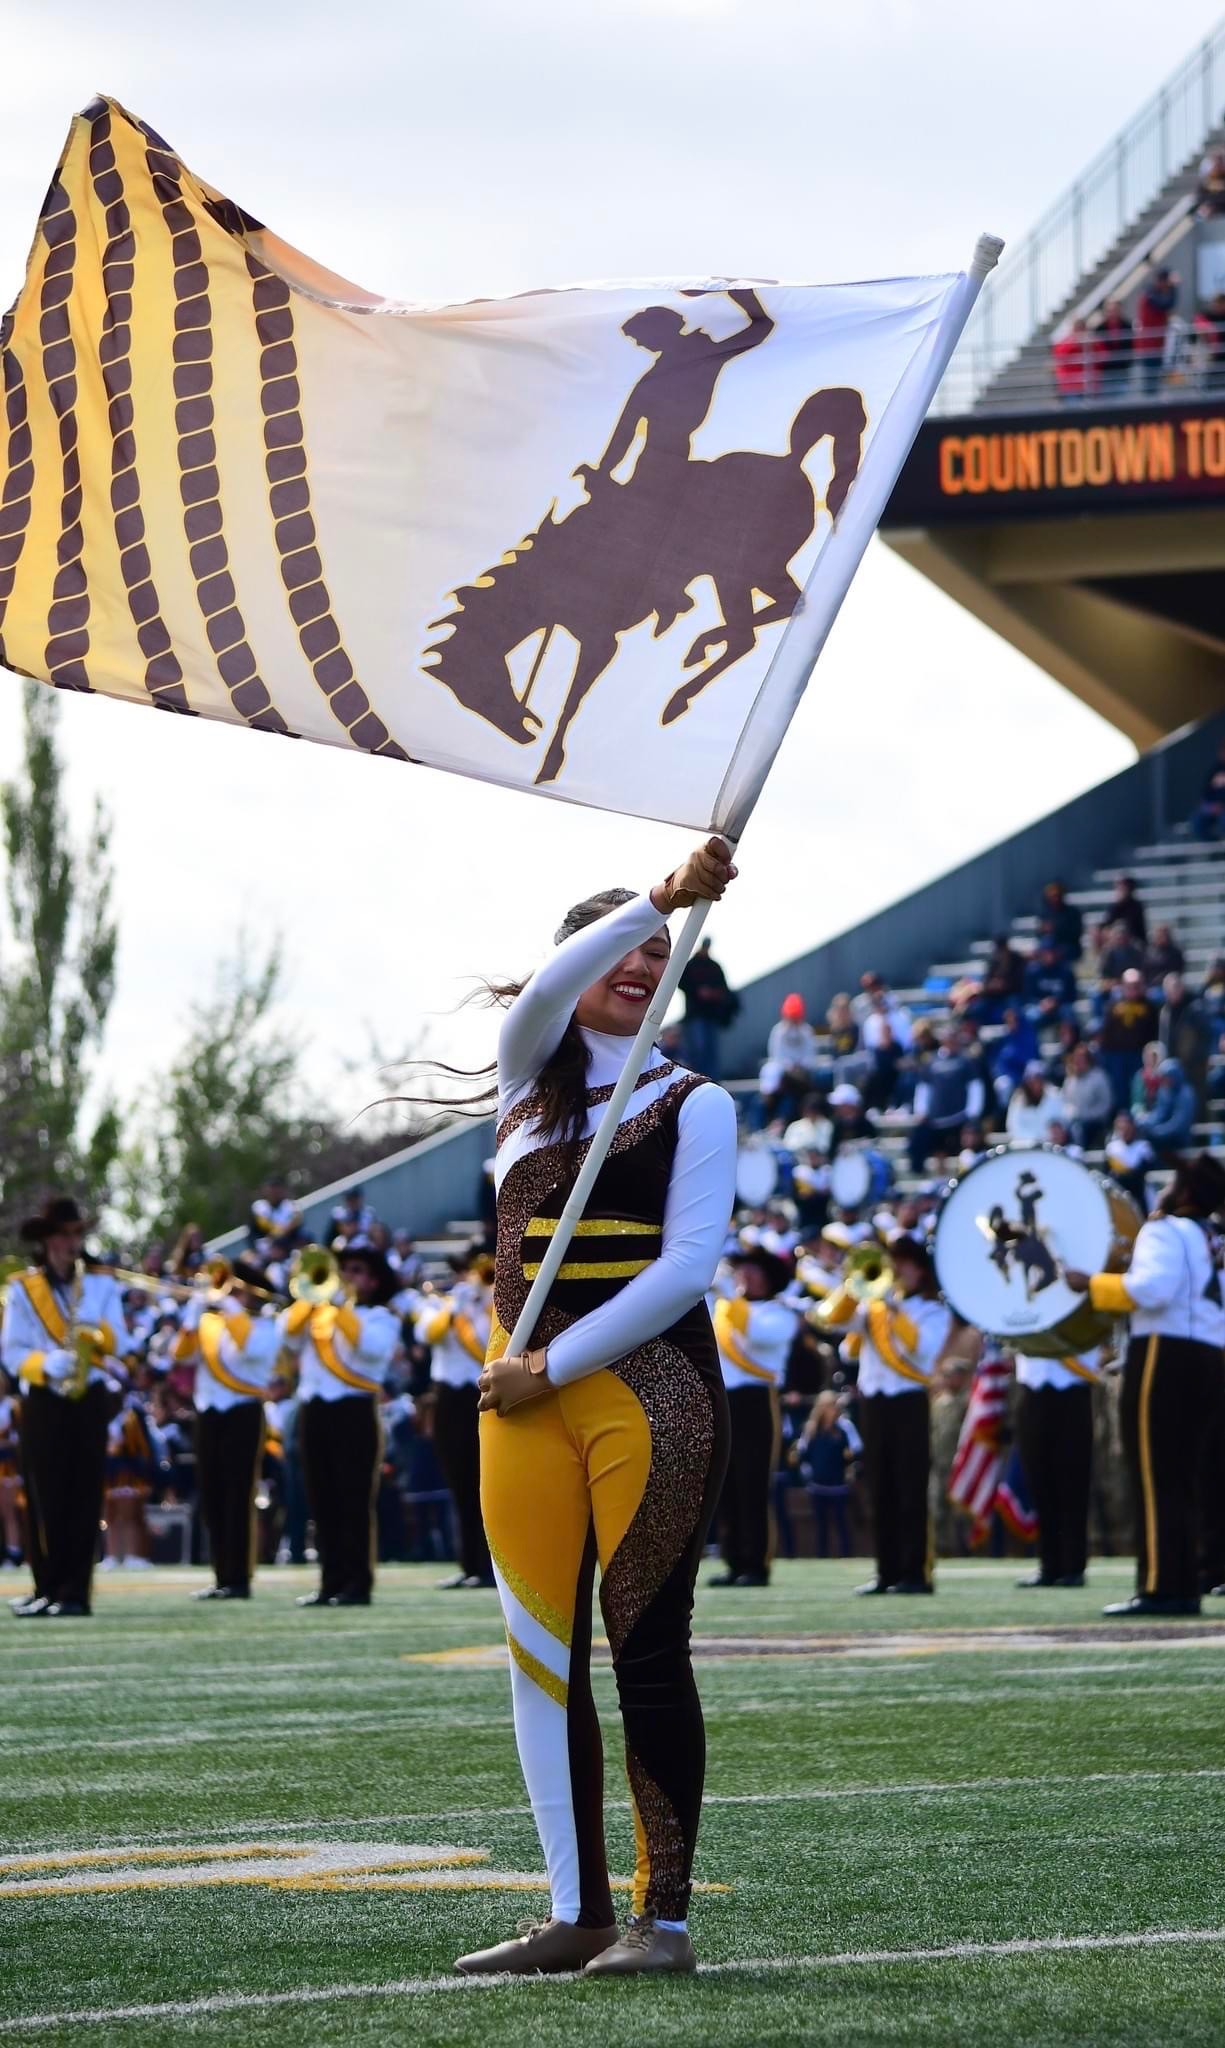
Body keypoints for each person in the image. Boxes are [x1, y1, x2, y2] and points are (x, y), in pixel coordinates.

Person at [458, 837, 738, 1979]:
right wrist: (651, 899)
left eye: (662, 950)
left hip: (650, 1393)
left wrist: (553, 1365)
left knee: (646, 1649)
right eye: (628, 946)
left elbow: (688, 1269)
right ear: (584, 962)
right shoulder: (526, 1078)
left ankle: (658, 1918)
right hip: (518, 1407)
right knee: (538, 1653)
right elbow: (534, 1000)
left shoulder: (696, 1100)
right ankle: (572, 1909)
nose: (646, 961)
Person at [1064, 1153, 1225, 1618]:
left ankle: (1160, 1586)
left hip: (1164, 1354)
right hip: (1208, 1354)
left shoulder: (1164, 1230)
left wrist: (1091, 1284)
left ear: (1187, 1192)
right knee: (1182, 1477)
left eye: (1175, 1181)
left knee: (1155, 1474)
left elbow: (1151, 1289)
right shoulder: (1211, 1236)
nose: (1165, 1188)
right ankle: (1183, 1582)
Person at [1, 1197, 132, 1619]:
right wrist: (44, 1365)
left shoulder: (101, 1284)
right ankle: (47, 1586)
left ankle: (75, 1591)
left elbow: (124, 1342)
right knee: (43, 1495)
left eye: (77, 1233)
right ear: (47, 1240)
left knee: (83, 1494)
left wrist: (97, 1336)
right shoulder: (24, 1289)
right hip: (43, 1398)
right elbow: (12, 1350)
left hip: (87, 1395)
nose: (72, 1242)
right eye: (64, 1234)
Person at [823, 1236, 952, 1595]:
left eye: (905, 1263)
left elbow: (922, 1352)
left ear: (920, 1271)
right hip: (875, 1403)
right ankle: (887, 1570)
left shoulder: (932, 1312)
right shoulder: (873, 1307)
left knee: (910, 1487)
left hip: (909, 1401)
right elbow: (834, 1322)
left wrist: (893, 1310)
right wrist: (853, 1287)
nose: (897, 1270)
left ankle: (916, 1573)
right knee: (880, 1488)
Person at [279, 1243, 401, 1608]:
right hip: (314, 1410)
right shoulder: (316, 1314)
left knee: (354, 1499)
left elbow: (368, 1348)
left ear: (374, 1280)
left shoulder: (381, 1316)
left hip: (355, 1411)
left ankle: (357, 1584)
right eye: (343, 1269)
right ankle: (329, 1582)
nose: (347, 1277)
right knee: (321, 1497)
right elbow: (285, 1336)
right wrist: (310, 1301)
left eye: (357, 1271)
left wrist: (336, 1307)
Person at [172, 1259, 285, 1600]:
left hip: (244, 1412)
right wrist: (191, 1321)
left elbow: (249, 1349)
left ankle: (239, 1577)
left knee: (238, 1494)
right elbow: (182, 1358)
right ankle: (221, 1573)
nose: (228, 1294)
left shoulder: (266, 1326)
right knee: (213, 1494)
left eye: (237, 1289)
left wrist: (230, 1307)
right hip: (209, 1413)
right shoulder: (211, 1323)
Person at [710, 1247, 798, 1588]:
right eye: (742, 1270)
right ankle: (735, 1561)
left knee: (753, 1483)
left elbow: (756, 1334)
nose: (745, 1277)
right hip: (726, 1399)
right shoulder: (727, 1309)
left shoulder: (778, 1314)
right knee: (727, 1484)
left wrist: (728, 1295)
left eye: (753, 1272)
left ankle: (756, 1563)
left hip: (758, 1400)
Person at [417, 1253, 495, 1589]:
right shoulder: (441, 1307)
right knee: (458, 1482)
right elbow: (427, 1333)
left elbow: (486, 1347)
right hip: (447, 1398)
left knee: (485, 1482)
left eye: (470, 1272)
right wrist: (455, 1309)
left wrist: (480, 1306)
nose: (468, 1278)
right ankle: (468, 1564)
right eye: (461, 1272)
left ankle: (490, 1566)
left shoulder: (492, 1308)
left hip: (481, 1395)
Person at [1014, 1345, 1102, 1589]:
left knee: (1073, 1482)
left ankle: (1073, 1565)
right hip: (1032, 1385)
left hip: (1072, 1384)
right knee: (1038, 1479)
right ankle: (1049, 1565)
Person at [908, 1030, 985, 1173]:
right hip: (936, 1119)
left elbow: (975, 1087)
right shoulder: (931, 1061)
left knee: (967, 1147)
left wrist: (973, 1112)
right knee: (923, 1141)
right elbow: (924, 1087)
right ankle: (924, 1173)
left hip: (959, 1118)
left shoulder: (966, 1061)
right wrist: (921, 1111)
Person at [797, 1390, 859, 1556]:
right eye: (828, 1406)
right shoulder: (811, 1429)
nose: (832, 1409)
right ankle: (821, 1555)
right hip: (817, 1485)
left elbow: (856, 1451)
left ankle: (847, 1555)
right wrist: (808, 1474)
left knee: (842, 1524)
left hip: (839, 1485)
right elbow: (802, 1454)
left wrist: (850, 1470)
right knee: (820, 1525)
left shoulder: (844, 1427)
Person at [1099, 970, 1158, 1112]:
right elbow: (1106, 1032)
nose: (1133, 989)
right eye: (1130, 985)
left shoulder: (1150, 1006)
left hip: (1139, 1055)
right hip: (1117, 1056)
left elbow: (1154, 1032)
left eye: (1137, 985)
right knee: (1119, 1092)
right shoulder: (1114, 1005)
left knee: (1138, 1091)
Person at [677, 935, 734, 1080]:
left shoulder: (714, 966)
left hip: (710, 1016)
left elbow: (724, 989)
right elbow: (681, 983)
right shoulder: (692, 965)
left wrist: (713, 994)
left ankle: (712, 1080)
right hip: (695, 1016)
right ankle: (697, 1079)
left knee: (710, 1052)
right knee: (698, 1051)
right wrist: (698, 992)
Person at [1158, 973, 1211, 1113]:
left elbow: (1205, 1036)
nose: (1172, 992)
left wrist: (1198, 1058)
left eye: (1175, 987)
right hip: (1174, 1068)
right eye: (1169, 989)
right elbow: (1164, 1038)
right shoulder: (1165, 1011)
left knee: (1197, 1105)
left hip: (1194, 1067)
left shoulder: (1195, 1009)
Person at [1136, 1057, 1197, 1159]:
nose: (1164, 1081)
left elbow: (1179, 1125)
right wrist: (1145, 1122)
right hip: (1162, 1138)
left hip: (1178, 1140)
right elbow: (1159, 1114)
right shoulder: (1164, 1091)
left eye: (1166, 1077)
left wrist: (1157, 1132)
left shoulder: (1186, 1094)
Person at [1059, 1044, 1114, 1150]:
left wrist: (1087, 1115)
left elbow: (1106, 1104)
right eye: (1076, 1059)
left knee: (1078, 1129)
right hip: (1074, 1120)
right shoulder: (1070, 1080)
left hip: (1095, 1122)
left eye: (1081, 1059)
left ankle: (1078, 1154)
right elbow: (1065, 1102)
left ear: (1088, 1060)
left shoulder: (1099, 1077)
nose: (1078, 1062)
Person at [1135, 266, 1178, 396]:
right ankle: (1149, 413)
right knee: (1150, 384)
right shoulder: (1150, 294)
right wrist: (1174, 288)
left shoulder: (1153, 292)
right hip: (1149, 347)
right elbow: (1165, 304)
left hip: (1157, 346)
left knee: (1155, 383)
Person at [1005, 1063, 1065, 1146]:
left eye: (1038, 1080)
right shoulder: (1018, 1100)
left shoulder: (1055, 1096)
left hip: (1050, 1148)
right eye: (1032, 1081)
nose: (1036, 1085)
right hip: (1023, 1148)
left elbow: (1062, 1123)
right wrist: (1035, 1140)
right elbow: (1013, 1128)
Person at [1105, 1111, 1154, 1211]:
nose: (1124, 1131)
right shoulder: (1112, 1148)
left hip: (1139, 1195)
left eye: (1127, 1127)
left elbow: (1141, 1173)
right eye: (1121, 1128)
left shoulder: (1143, 1147)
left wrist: (1122, 1174)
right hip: (1119, 1195)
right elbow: (1107, 1174)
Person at [1022, 940, 1076, 1024]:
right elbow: (1028, 996)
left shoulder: (1066, 971)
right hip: (1039, 1005)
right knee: (1029, 1016)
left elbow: (1072, 995)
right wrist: (1042, 1003)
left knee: (1068, 1014)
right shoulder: (1032, 971)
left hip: (1060, 1005)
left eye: (1051, 952)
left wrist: (1056, 1002)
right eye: (1046, 953)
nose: (1049, 956)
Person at [249, 1177, 302, 1259]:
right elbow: (253, 1233)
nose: (274, 1194)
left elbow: (298, 1229)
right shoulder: (259, 1207)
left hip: (287, 1246)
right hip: (266, 1247)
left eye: (276, 1191)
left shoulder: (291, 1207)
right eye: (271, 1191)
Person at [1051, 318, 1102, 402]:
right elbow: (1059, 357)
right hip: (1070, 387)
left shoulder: (1092, 341)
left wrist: (1092, 343)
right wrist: (1074, 343)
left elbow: (1103, 356)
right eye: (1077, 328)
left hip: (1090, 386)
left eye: (1082, 328)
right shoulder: (1065, 341)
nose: (1080, 331)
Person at [1094, 298, 1132, 400]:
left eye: (1115, 309)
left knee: (1123, 402)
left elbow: (1131, 347)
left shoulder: (1128, 326)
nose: (1113, 312)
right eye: (1110, 310)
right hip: (1106, 372)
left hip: (1122, 371)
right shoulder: (1099, 329)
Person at [1191, 737, 1225, 841]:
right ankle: (1214, 844)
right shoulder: (1215, 769)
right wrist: (1210, 806)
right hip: (1212, 808)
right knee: (1197, 820)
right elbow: (1205, 793)